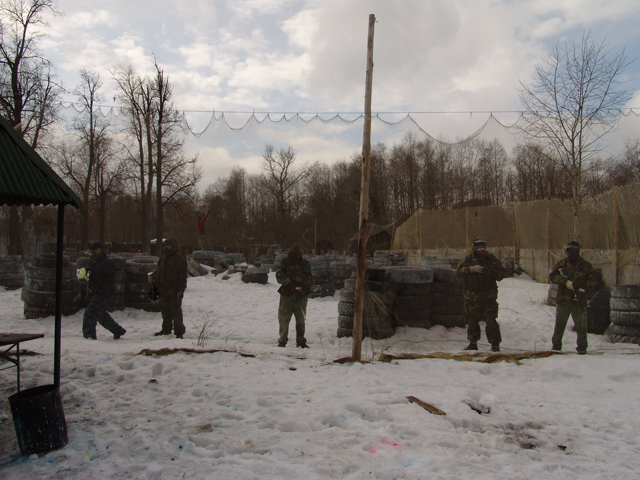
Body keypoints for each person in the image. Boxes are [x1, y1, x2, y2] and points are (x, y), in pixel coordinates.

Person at [456, 237, 506, 352]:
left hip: (488, 296)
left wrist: (490, 272)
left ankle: (495, 345)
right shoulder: (468, 259)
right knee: (472, 320)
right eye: (478, 246)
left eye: (482, 245)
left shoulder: (491, 259)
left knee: (491, 320)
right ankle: (473, 343)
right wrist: (472, 269)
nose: (481, 248)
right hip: (472, 296)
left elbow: (501, 274)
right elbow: (458, 272)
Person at [549, 241, 595, 354]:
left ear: (578, 251)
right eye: (569, 251)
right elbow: (553, 276)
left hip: (578, 300)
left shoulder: (586, 266)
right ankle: (556, 346)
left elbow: (592, 282)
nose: (571, 254)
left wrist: (582, 288)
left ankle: (582, 348)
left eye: (573, 251)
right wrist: (565, 282)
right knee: (560, 324)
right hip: (563, 299)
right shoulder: (562, 264)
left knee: (581, 326)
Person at [82, 242, 126, 340]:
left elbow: (110, 279)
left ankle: (89, 336)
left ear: (98, 251)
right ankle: (117, 330)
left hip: (104, 293)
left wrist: (99, 287)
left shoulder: (106, 263)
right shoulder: (97, 263)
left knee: (90, 314)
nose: (91, 255)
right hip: (100, 292)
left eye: (92, 253)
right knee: (100, 314)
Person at [275, 244, 313, 348]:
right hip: (287, 294)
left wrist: (303, 288)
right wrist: (288, 283)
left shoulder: (305, 264)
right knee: (283, 318)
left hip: (300, 296)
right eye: (292, 254)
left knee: (300, 319)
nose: (294, 256)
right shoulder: (285, 262)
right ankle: (282, 340)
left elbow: (309, 277)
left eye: (295, 254)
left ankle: (300, 341)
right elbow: (279, 274)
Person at [153, 238, 188, 339]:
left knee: (176, 311)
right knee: (165, 311)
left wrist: (181, 290)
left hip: (174, 290)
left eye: (168, 246)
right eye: (165, 247)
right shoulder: (162, 259)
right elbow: (158, 272)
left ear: (174, 247)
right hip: (163, 290)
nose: (166, 249)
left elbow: (182, 276)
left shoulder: (179, 260)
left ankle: (179, 332)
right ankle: (166, 329)